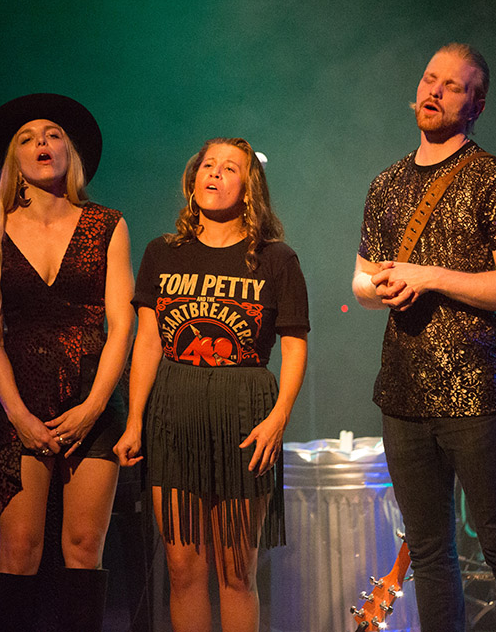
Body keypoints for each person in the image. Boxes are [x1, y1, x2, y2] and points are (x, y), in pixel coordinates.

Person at [352, 43, 496, 631]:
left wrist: (428, 276)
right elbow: (359, 281)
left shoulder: (494, 179)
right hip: (403, 395)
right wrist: (381, 286)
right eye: (430, 79)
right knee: (430, 554)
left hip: (476, 395)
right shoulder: (386, 183)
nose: (435, 91)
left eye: (453, 86)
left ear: (476, 105)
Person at [114, 137, 309, 632]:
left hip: (245, 413)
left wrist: (278, 418)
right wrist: (134, 419)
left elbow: (294, 347)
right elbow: (148, 343)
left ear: (249, 189)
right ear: (193, 176)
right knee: (182, 570)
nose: (214, 174)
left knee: (236, 572)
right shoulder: (163, 252)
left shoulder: (277, 259)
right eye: (207, 165)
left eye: (229, 168)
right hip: (173, 411)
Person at [0, 93, 134, 632]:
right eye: (27, 137)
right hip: (23, 403)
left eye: (53, 134)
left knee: (84, 548)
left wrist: (92, 409)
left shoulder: (107, 223)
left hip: (92, 398)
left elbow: (122, 326)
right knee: (19, 551)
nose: (42, 142)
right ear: (12, 161)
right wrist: (17, 415)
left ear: (71, 152)